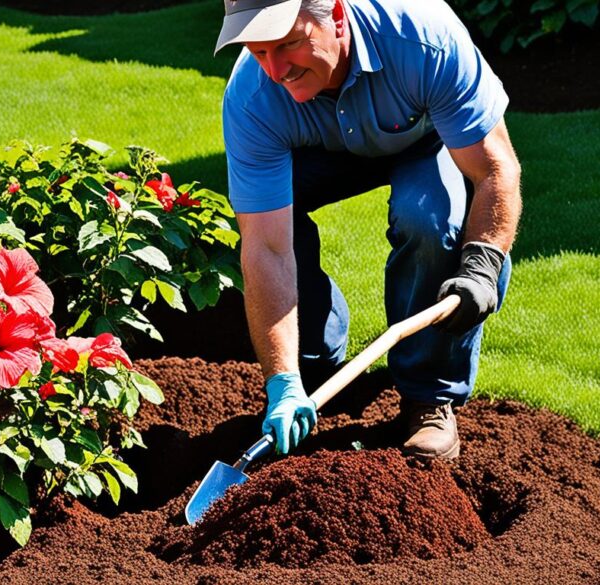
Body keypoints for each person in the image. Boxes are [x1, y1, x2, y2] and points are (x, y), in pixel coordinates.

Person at [215, 0, 522, 459]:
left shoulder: (423, 38)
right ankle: (312, 363)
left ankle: (428, 397)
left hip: (423, 136)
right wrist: (282, 381)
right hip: (320, 151)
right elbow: (267, 247)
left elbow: (495, 170)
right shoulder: (253, 97)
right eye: (260, 52)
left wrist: (480, 267)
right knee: (264, 217)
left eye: (288, 45)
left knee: (429, 221)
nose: (275, 69)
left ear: (336, 16)